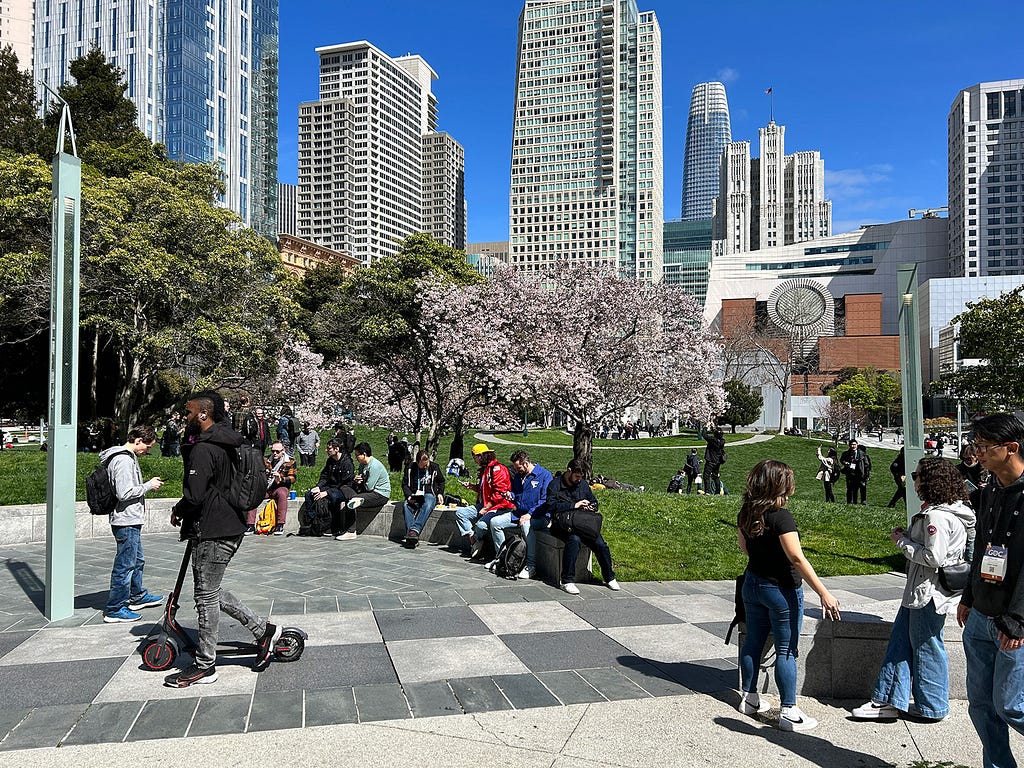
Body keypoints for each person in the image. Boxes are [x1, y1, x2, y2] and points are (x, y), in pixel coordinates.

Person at [166, 390, 280, 688]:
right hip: (230, 524)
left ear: (203, 414)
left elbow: (194, 494)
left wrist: (179, 509)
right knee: (209, 592)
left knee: (205, 597)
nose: (185, 416)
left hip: (213, 529)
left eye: (189, 411)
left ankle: (205, 665)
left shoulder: (204, 448)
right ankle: (263, 630)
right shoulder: (230, 440)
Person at [852, 457, 975, 722]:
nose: (913, 479)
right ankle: (888, 700)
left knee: (927, 647)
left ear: (930, 480)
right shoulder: (945, 512)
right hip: (922, 592)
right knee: (901, 644)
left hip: (927, 594)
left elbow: (934, 558)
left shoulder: (936, 517)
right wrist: (908, 538)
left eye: (917, 474)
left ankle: (931, 705)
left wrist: (902, 543)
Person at [737, 459, 841, 732]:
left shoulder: (746, 511)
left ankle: (749, 699)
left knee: (753, 643)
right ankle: (789, 712)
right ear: (780, 484)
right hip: (781, 590)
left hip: (753, 584)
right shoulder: (781, 517)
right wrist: (824, 593)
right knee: (786, 649)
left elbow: (744, 548)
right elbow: (796, 557)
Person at [958, 413, 1024, 768]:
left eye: (983, 447)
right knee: (982, 707)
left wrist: (1017, 619)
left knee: (1012, 705)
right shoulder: (992, 488)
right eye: (975, 445)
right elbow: (982, 547)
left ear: (1010, 448)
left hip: (1013, 624)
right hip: (981, 613)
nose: (975, 453)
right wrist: (969, 596)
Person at [101, 425, 165, 623]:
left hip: (129, 518)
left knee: (136, 561)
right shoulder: (122, 460)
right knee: (125, 565)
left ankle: (137, 596)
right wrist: (148, 486)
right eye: (147, 446)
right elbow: (124, 492)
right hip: (126, 519)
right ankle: (115, 608)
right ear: (137, 441)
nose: (148, 450)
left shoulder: (127, 457)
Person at [546, 458, 618, 595]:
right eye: (577, 476)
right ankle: (567, 580)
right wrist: (574, 505)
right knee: (574, 540)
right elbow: (551, 506)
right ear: (569, 471)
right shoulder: (555, 485)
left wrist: (592, 506)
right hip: (562, 524)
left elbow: (594, 501)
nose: (579, 479)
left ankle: (609, 577)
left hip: (582, 523)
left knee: (600, 544)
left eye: (581, 477)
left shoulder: (583, 485)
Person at [488, 450, 553, 578]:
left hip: (539, 517)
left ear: (526, 463)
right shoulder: (518, 476)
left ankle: (531, 565)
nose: (517, 470)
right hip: (518, 514)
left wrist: (530, 514)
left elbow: (545, 500)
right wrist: (510, 495)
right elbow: (516, 493)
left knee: (526, 525)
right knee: (495, 522)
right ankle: (503, 558)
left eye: (518, 467)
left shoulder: (544, 475)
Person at [454, 443, 515, 559]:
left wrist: (486, 508)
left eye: (474, 457)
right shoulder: (485, 470)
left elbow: (500, 493)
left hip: (499, 506)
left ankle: (498, 556)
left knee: (481, 526)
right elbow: (485, 489)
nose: (474, 460)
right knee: (460, 514)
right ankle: (474, 541)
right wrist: (472, 487)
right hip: (485, 504)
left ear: (481, 456)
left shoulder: (497, 469)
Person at [333, 441, 391, 541]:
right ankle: (353, 500)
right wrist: (357, 480)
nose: (356, 458)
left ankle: (351, 531)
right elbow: (362, 482)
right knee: (344, 488)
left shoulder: (374, 466)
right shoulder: (362, 465)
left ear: (364, 454)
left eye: (357, 455)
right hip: (367, 492)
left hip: (379, 494)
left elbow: (369, 487)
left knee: (352, 500)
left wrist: (362, 481)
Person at [243, 441, 295, 536]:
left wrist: (281, 478)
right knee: (254, 493)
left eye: (277, 451)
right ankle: (250, 524)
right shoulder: (265, 460)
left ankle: (280, 524)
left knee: (282, 493)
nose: (275, 453)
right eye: (273, 451)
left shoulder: (290, 461)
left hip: (279, 487)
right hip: (265, 488)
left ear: (283, 451)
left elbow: (293, 478)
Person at [305, 440, 355, 533]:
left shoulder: (347, 463)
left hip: (343, 489)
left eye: (329, 448)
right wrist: (318, 487)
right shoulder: (330, 460)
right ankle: (312, 522)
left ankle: (333, 526)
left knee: (333, 497)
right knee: (309, 494)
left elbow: (343, 483)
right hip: (330, 487)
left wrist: (327, 493)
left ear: (337, 449)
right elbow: (325, 476)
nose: (326, 450)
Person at [401, 450, 445, 547]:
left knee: (428, 504)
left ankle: (413, 531)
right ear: (417, 463)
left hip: (429, 494)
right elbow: (404, 484)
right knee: (406, 505)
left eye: (427, 465)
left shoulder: (434, 467)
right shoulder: (410, 468)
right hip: (415, 494)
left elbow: (441, 481)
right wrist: (409, 496)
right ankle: (412, 537)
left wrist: (440, 493)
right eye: (423, 466)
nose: (425, 467)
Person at [840, 438, 871, 505]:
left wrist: (867, 474)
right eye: (851, 445)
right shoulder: (846, 453)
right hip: (850, 473)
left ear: (857, 445)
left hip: (860, 473)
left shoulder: (862, 454)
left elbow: (867, 465)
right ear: (849, 445)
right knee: (850, 488)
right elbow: (842, 460)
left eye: (854, 444)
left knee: (862, 487)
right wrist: (845, 463)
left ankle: (863, 501)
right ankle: (850, 502)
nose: (853, 446)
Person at [702, 425, 726, 495]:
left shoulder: (713, 440)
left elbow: (704, 435)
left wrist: (705, 427)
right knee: (715, 476)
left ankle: (707, 491)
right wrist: (713, 428)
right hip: (717, 461)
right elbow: (716, 434)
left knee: (706, 476)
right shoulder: (722, 441)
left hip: (710, 461)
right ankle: (717, 492)